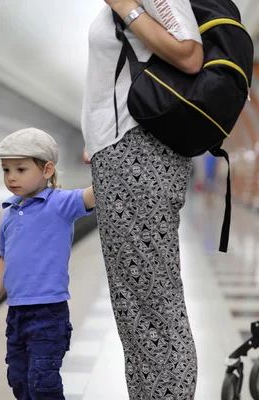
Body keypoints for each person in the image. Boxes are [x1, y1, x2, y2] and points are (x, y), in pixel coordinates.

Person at [81, 1, 203, 398]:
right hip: (120, 153)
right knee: (135, 306)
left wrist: (126, 7)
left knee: (152, 304)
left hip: (138, 155)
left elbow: (189, 53)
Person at [0, 127, 95, 400]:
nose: (11, 178)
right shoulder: (9, 213)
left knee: (43, 382)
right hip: (17, 313)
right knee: (19, 379)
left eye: (20, 170)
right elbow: (5, 259)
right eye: (6, 170)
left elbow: (98, 192)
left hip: (48, 312)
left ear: (47, 170)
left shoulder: (60, 204)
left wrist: (102, 158)